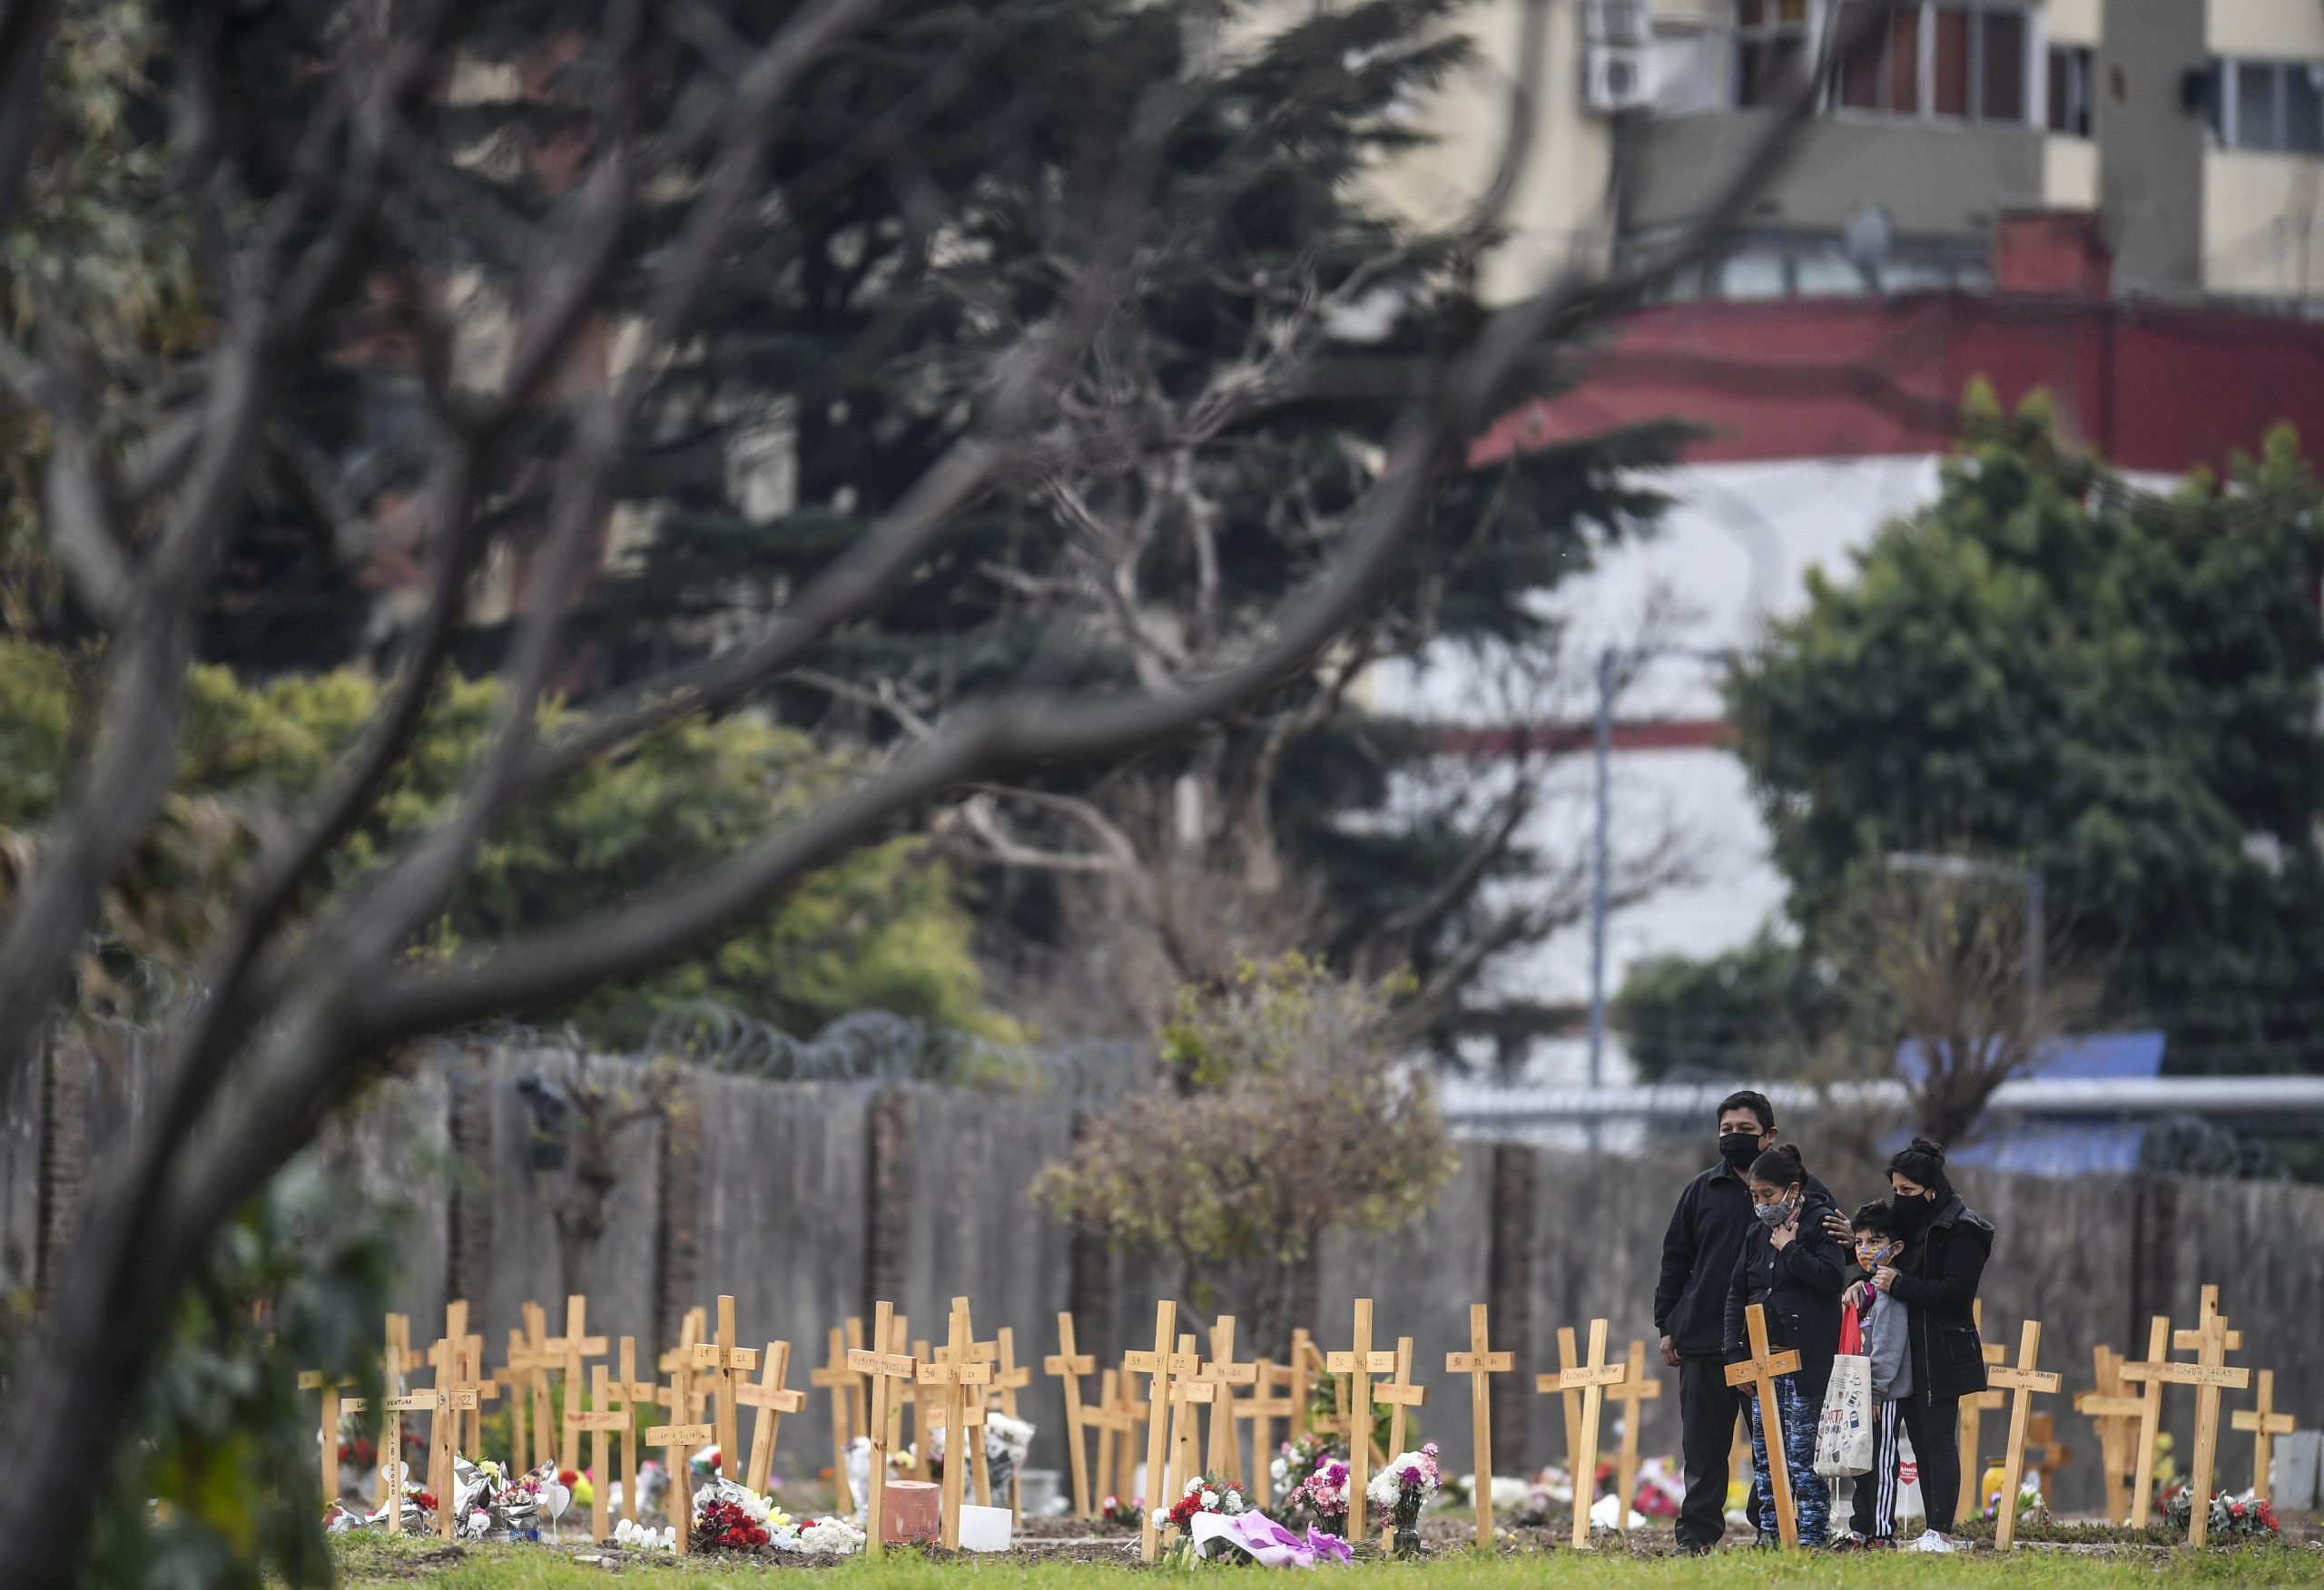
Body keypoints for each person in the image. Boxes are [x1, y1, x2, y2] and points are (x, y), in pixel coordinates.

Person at [1653, 1090, 1831, 1554]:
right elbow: (1675, 1259)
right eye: (1726, 1130)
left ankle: (1769, 1527)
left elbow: (1835, 1253)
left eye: (1745, 1130)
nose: (1734, 1137)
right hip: (1704, 1340)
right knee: (1703, 1449)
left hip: (1774, 1346)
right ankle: (1696, 1537)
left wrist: (1852, 1240)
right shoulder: (1700, 1191)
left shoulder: (1804, 1190)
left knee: (1776, 1447)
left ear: (1769, 1135)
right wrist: (1666, 1324)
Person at [1868, 1137, 1993, 1555]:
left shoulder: (1963, 1229)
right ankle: (1930, 1531)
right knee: (1918, 1441)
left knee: (1938, 1438)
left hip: (1941, 1350)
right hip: (1906, 1350)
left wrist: (1899, 1285)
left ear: (1931, 1190)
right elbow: (1877, 1259)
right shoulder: (1908, 1225)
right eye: (1895, 1190)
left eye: (1907, 1190)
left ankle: (1942, 1531)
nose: (1899, 1198)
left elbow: (1956, 1294)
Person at [1723, 1144, 1846, 1546]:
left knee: (1802, 1455)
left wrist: (1790, 1250)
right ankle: (1771, 1532)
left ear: (1793, 1190)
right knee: (1766, 1454)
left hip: (1806, 1361)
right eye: (1755, 1196)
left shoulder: (1820, 1223)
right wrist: (1736, 1352)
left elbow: (1831, 1279)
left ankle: (1811, 1536)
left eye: (1768, 1195)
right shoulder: (1755, 1233)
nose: (1761, 1204)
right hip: (1764, 1360)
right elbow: (1737, 1293)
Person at [1836, 1200, 1913, 1549]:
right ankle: (1860, 1529)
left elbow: (1888, 1348)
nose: (1865, 1250)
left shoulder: (1891, 1293)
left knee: (1881, 1463)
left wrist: (1877, 1393)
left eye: (1875, 1242)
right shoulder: (1867, 1290)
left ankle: (1881, 1533)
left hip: (1885, 1395)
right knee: (1861, 1465)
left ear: (1896, 1248)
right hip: (1862, 1393)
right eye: (1859, 1242)